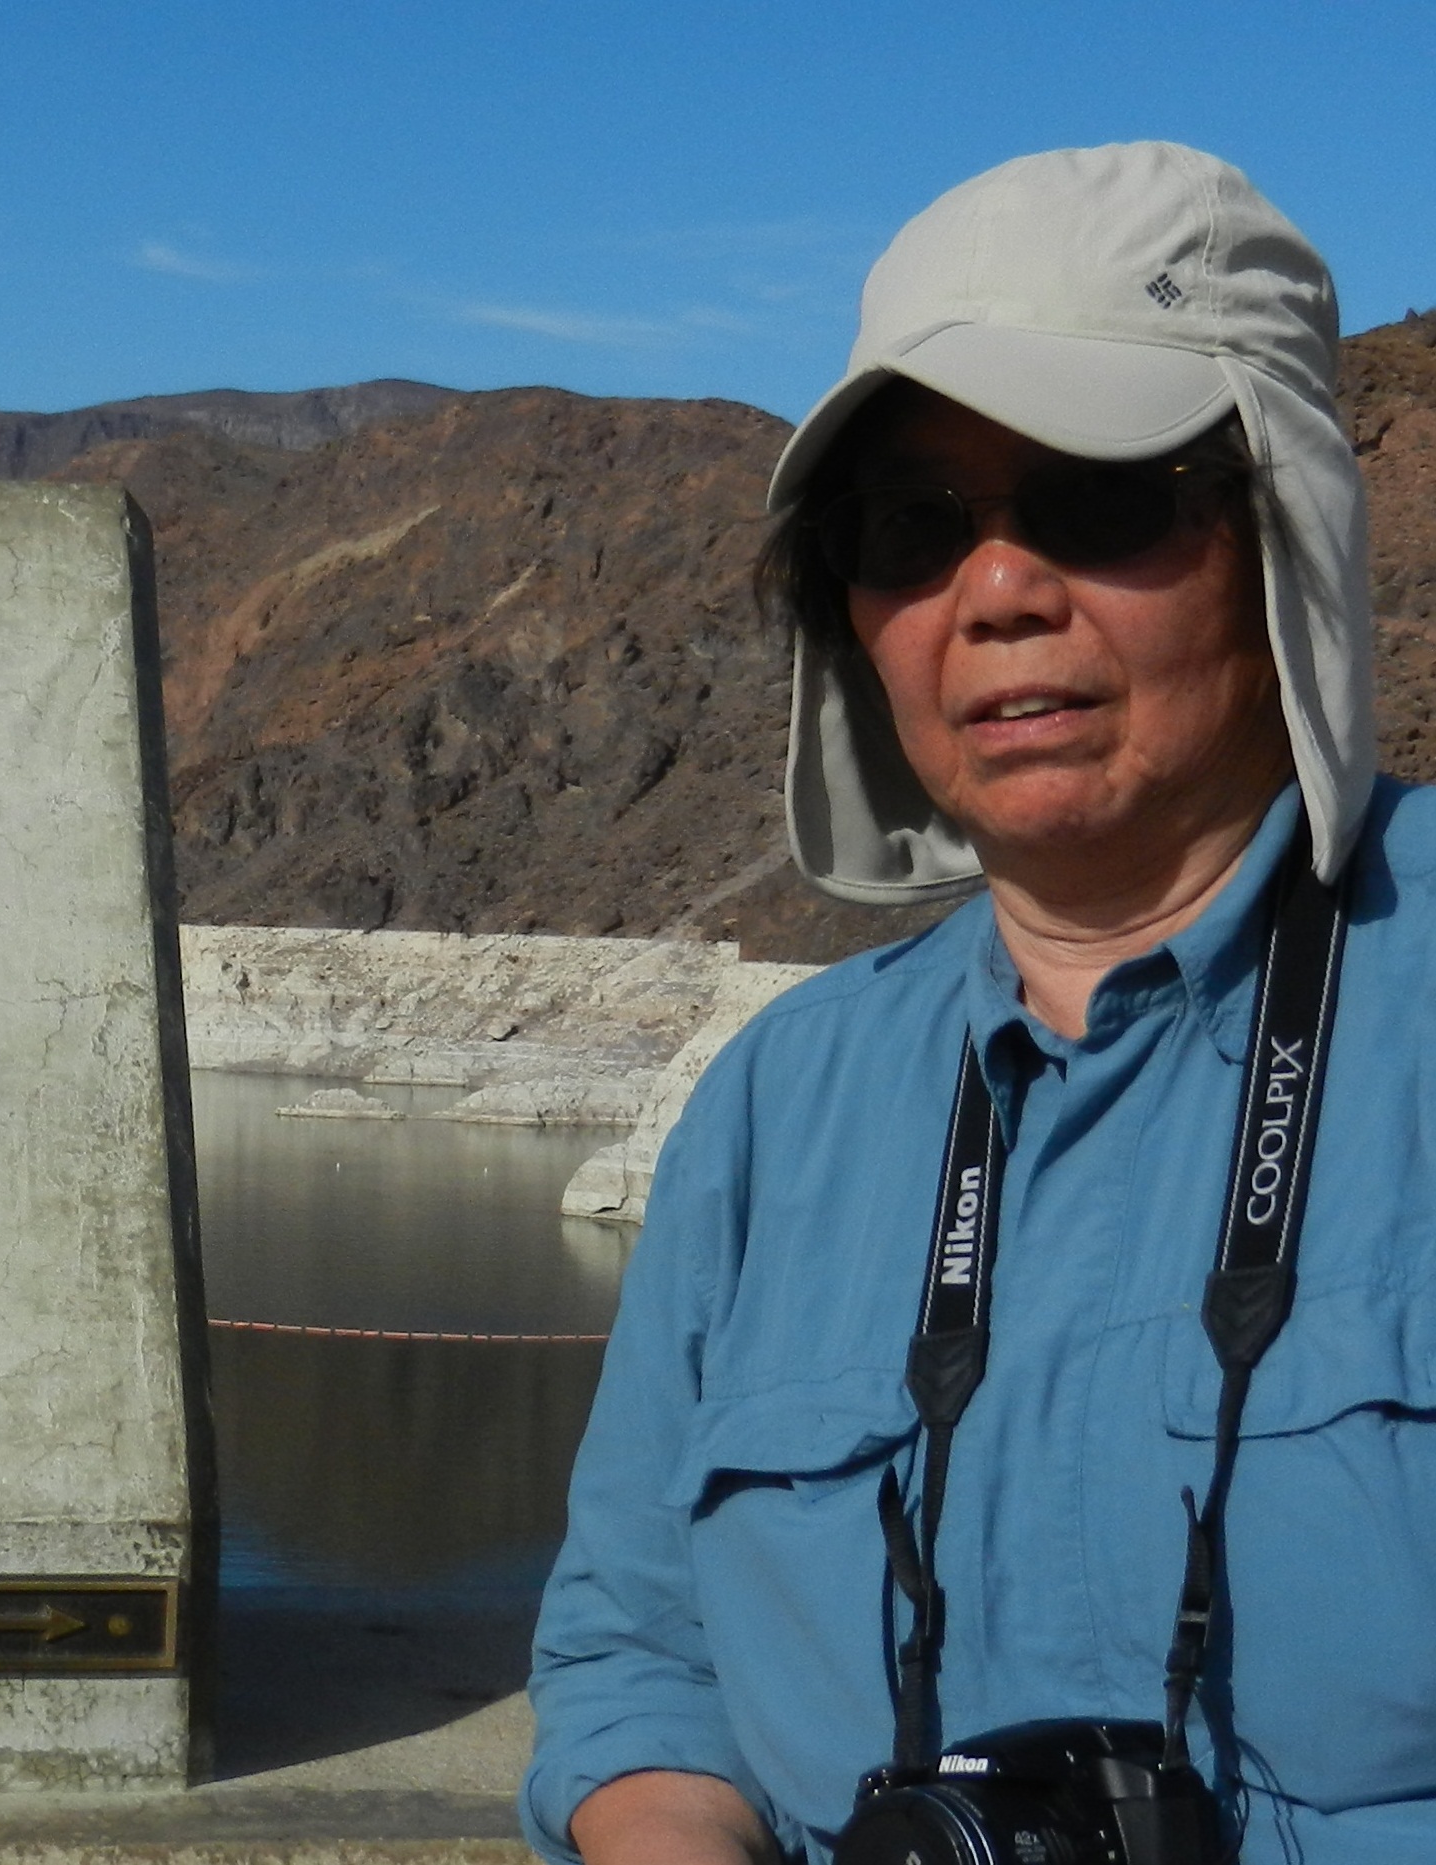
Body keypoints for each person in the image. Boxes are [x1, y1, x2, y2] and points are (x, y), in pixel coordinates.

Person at [522, 142, 1425, 1863]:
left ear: (1282, 532)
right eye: (913, 528)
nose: (995, 591)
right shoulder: (781, 1108)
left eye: (1099, 498)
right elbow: (639, 1659)